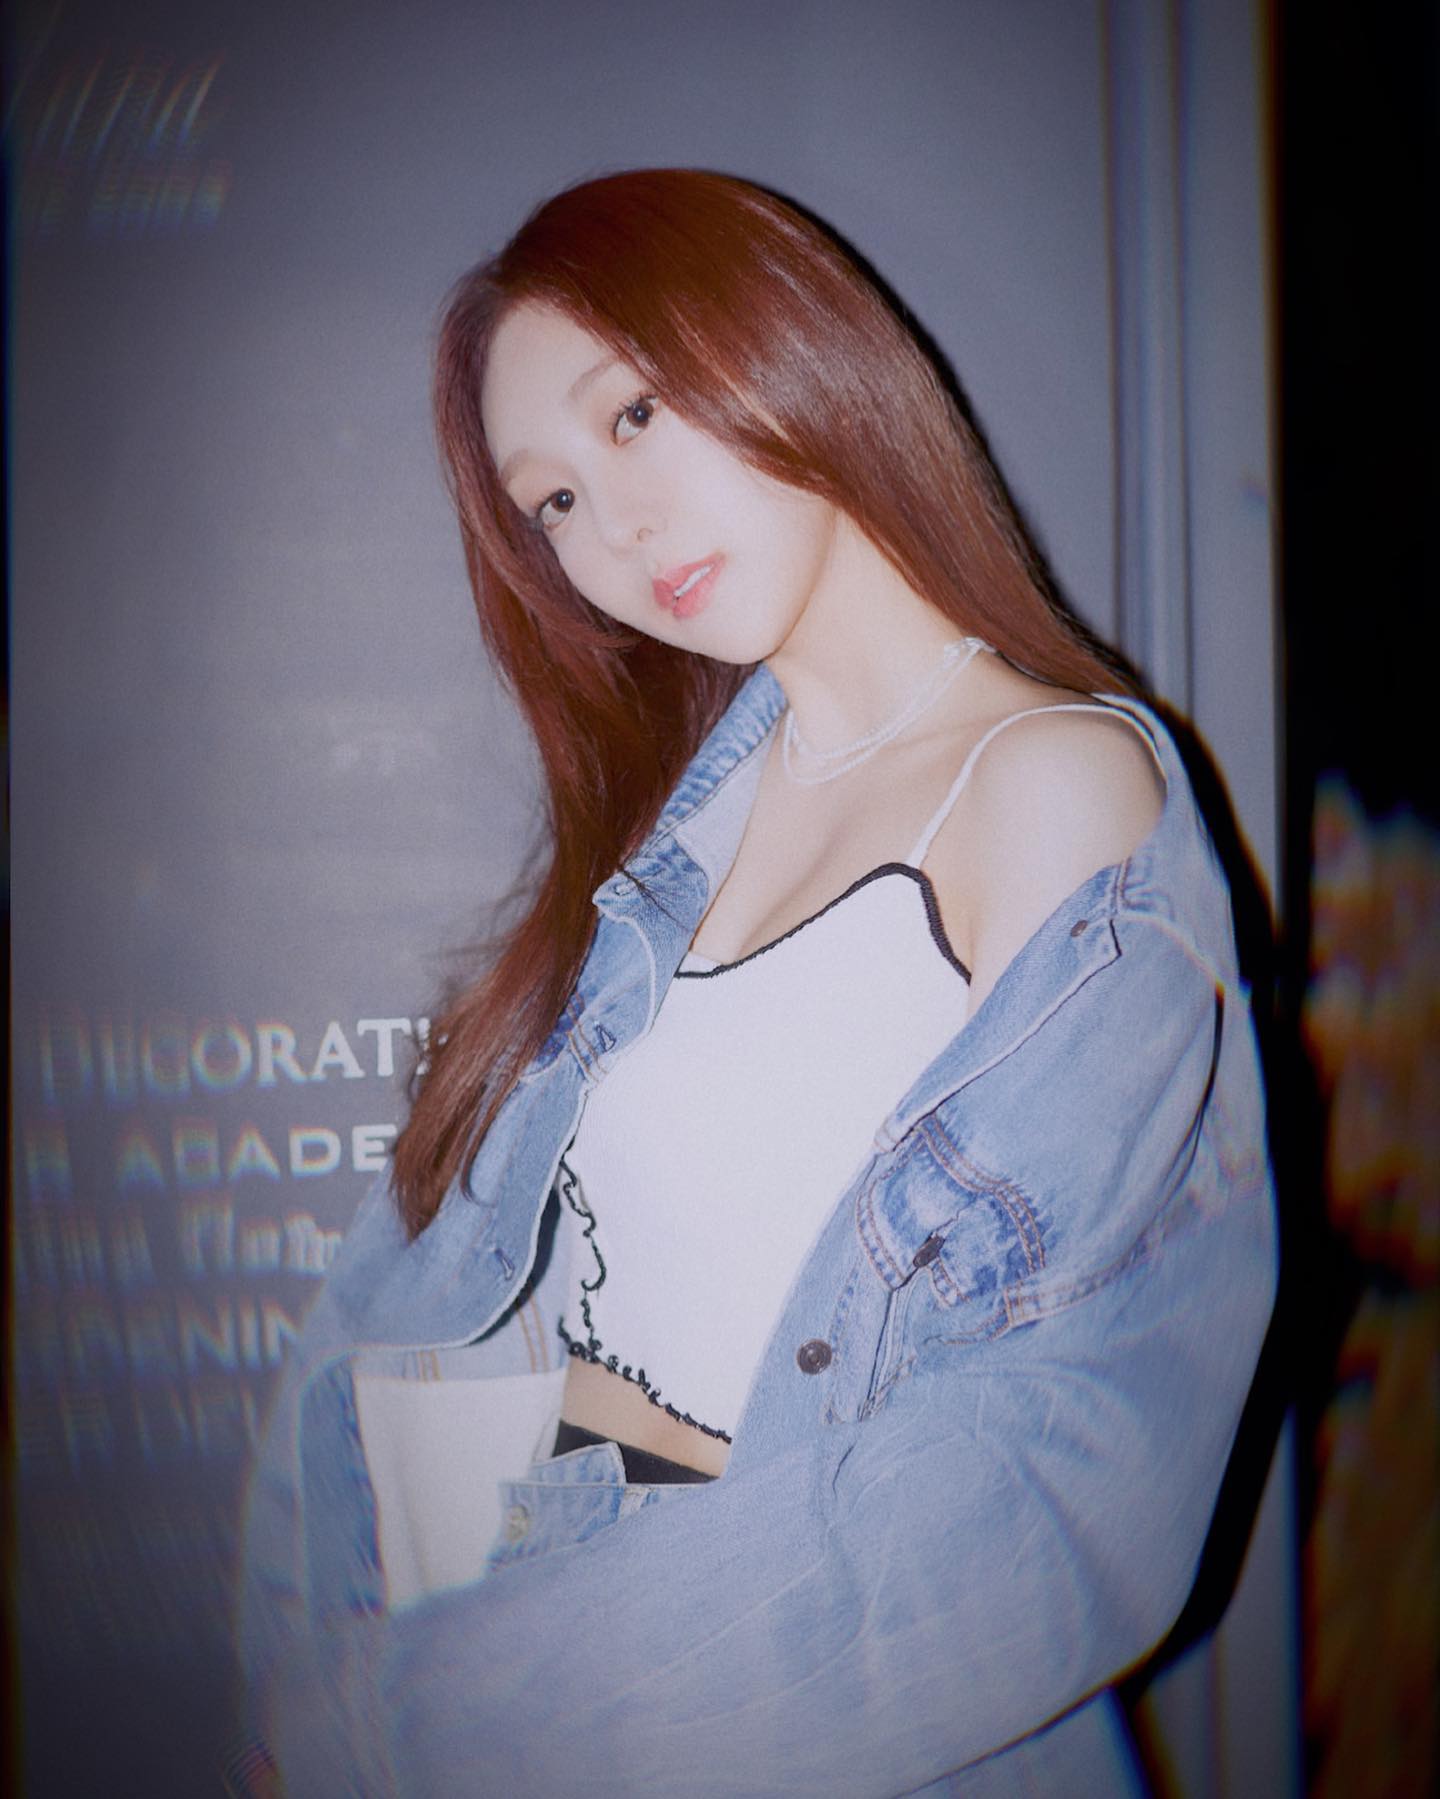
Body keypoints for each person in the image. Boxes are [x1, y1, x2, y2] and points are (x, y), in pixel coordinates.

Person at [236, 169, 1276, 1796]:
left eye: (634, 415)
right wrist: (330, 1674)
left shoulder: (1054, 788)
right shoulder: (684, 824)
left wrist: (422, 1726)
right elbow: (424, 1327)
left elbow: (1038, 1487)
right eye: (552, 501)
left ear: (786, 339)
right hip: (535, 1664)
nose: (611, 529)